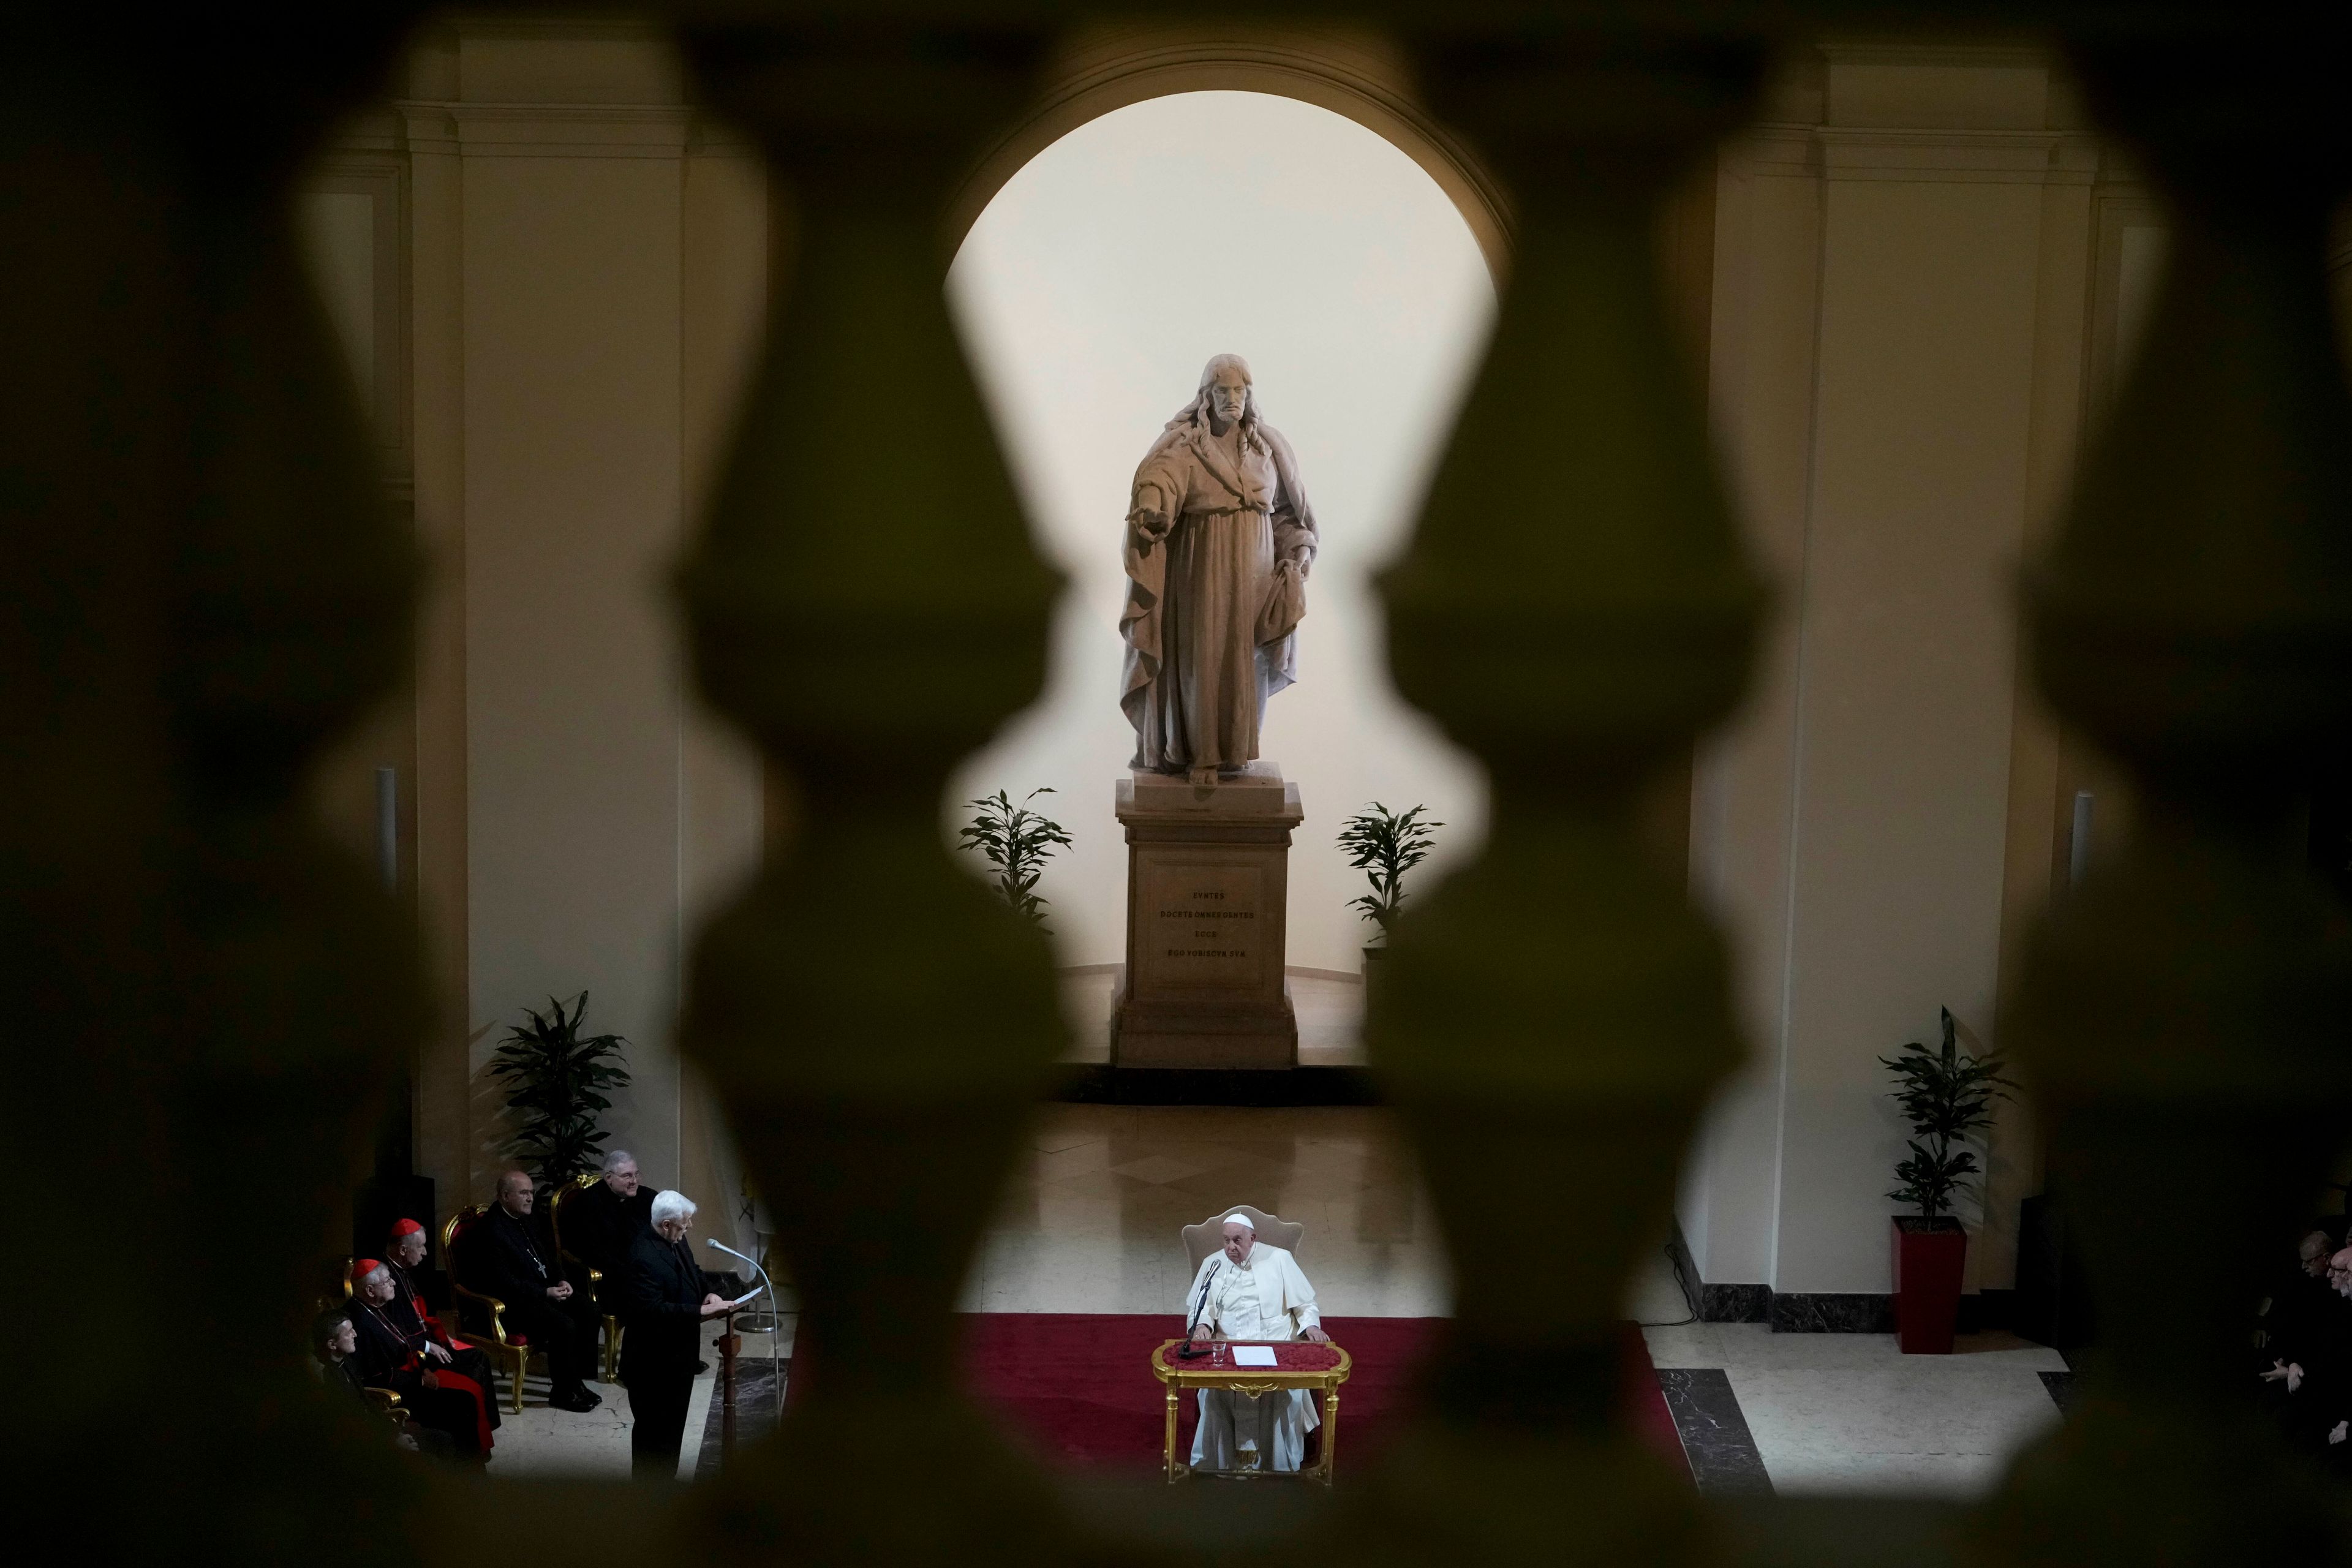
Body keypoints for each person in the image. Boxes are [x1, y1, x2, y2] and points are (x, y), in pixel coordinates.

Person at [1120, 354, 1319, 789]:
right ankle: (1201, 755)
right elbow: (1161, 478)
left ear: (1250, 396)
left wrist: (1299, 549)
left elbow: (1287, 512)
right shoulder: (1187, 445)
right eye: (1222, 391)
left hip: (1257, 574)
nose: (1232, 399)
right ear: (1206, 397)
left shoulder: (1269, 448)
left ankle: (1233, 752)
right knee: (1204, 655)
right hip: (1203, 568)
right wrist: (1153, 508)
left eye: (1239, 391)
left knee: (1245, 659)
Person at [1181, 1213, 1329, 1472]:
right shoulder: (1213, 1263)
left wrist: (1312, 1325)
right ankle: (1222, 1465)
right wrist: (1203, 1324)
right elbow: (1200, 1306)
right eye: (1226, 1240)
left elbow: (1305, 1303)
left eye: (1237, 1240)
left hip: (1276, 1349)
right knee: (1215, 1395)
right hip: (1228, 1351)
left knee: (1282, 1397)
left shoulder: (1279, 1258)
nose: (1230, 1247)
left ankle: (1277, 1465)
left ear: (1253, 1238)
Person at [620, 1189, 734, 1478]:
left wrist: (708, 1293)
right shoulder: (642, 1256)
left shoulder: (676, 1240)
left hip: (679, 1359)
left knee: (673, 1433)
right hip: (652, 1364)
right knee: (652, 1437)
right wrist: (700, 1312)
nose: (690, 1227)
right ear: (666, 1224)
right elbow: (652, 1311)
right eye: (685, 1223)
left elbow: (692, 1271)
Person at [466, 1170, 601, 1411]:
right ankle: (562, 1393)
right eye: (524, 1193)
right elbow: (502, 1282)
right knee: (564, 1325)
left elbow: (550, 1255)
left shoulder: (528, 1218)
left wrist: (561, 1280)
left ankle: (576, 1381)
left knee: (589, 1309)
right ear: (505, 1196)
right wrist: (545, 1293)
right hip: (513, 1302)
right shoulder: (492, 1230)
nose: (530, 1198)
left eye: (531, 1192)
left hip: (542, 1291)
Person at [349, 1259, 495, 1461]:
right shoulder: (360, 1322)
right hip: (398, 1392)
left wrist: (423, 1369)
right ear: (370, 1290)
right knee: (463, 1403)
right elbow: (378, 1376)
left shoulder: (377, 1307)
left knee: (468, 1391)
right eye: (387, 1280)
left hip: (411, 1374)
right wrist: (420, 1380)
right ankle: (467, 1472)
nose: (394, 1283)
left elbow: (405, 1342)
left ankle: (472, 1462)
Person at [384, 1219, 505, 1425]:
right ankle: (474, 1424)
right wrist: (430, 1347)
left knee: (477, 1356)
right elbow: (395, 1331)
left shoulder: (401, 1271)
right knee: (475, 1360)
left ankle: (484, 1425)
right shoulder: (386, 1280)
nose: (425, 1253)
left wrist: (440, 1337)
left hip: (424, 1342)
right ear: (403, 1250)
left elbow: (419, 1315)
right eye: (420, 1246)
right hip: (413, 1353)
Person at [565, 1150, 655, 1313]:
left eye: (636, 1174)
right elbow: (593, 1252)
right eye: (627, 1176)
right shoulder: (588, 1203)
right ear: (609, 1178)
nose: (634, 1181)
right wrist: (636, 1271)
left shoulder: (648, 1197)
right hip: (612, 1278)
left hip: (644, 1270)